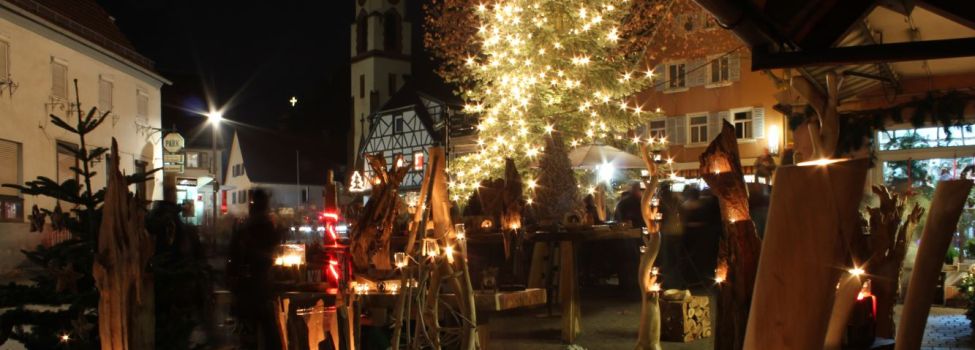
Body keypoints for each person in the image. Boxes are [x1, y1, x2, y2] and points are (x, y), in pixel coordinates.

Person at [228, 189, 283, 349]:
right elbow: (272, 251)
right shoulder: (267, 227)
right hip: (262, 288)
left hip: (248, 289)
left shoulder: (245, 229)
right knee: (270, 334)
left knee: (250, 336)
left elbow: (234, 257)